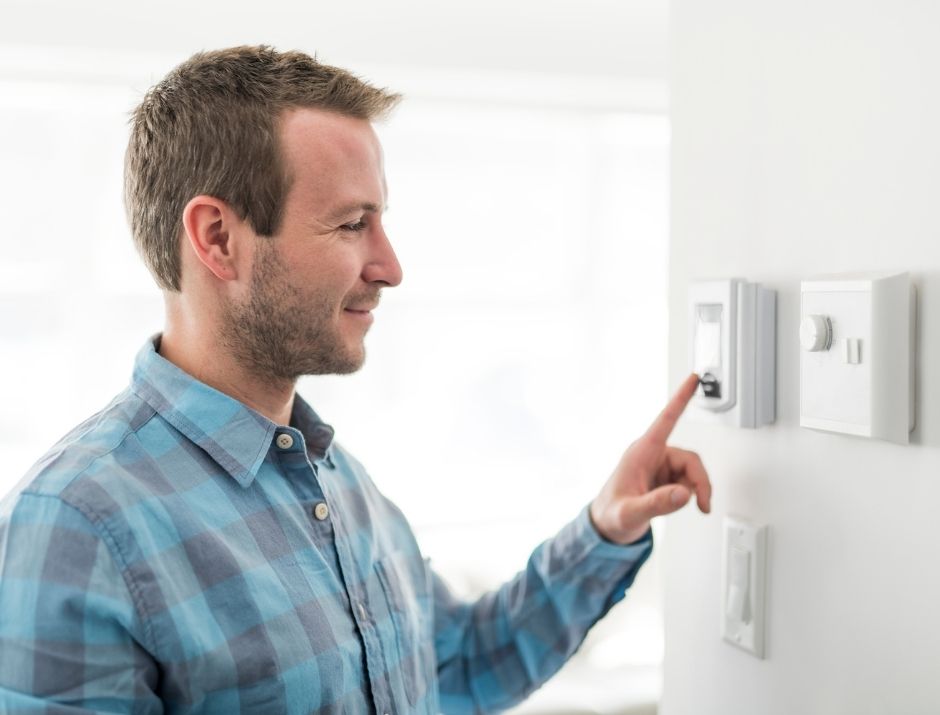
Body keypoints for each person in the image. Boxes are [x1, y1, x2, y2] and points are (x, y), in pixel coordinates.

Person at [0, 46, 711, 714]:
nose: (390, 265)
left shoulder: (336, 481)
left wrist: (604, 527)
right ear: (218, 238)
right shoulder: (74, 525)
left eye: (381, 221)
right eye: (350, 224)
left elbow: (455, 665)